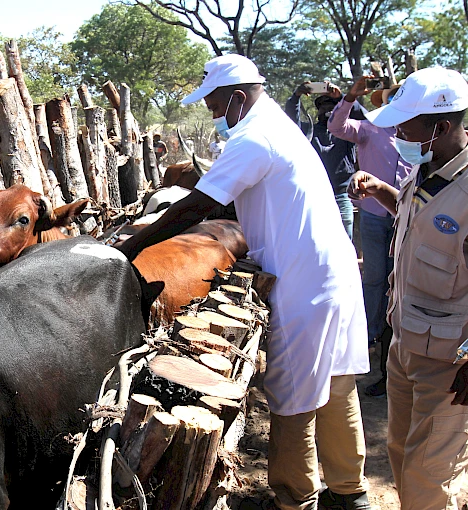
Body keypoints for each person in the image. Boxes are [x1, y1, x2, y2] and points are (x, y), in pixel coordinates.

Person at [117, 54, 371, 510]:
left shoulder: (255, 137)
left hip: (302, 280)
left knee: (293, 400)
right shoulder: (278, 126)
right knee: (336, 387)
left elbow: (198, 207)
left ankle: (296, 499)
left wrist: (129, 248)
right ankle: (351, 493)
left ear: (237, 97)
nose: (213, 114)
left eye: (215, 103)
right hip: (332, 272)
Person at [349, 66, 468, 510]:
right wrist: (382, 191)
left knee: (426, 481)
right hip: (405, 346)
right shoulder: (426, 171)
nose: (397, 133)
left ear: (439, 128)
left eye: (405, 126)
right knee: (401, 457)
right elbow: (422, 227)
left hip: (451, 364)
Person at [329, 76, 413, 397]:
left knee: (400, 281)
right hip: (377, 218)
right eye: (392, 98)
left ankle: (392, 343)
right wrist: (350, 96)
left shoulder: (415, 136)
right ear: (383, 101)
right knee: (376, 278)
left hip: (407, 220)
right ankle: (369, 337)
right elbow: (337, 127)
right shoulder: (368, 129)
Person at [286, 83, 358, 238]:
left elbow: (359, 114)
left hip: (342, 194)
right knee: (316, 239)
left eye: (332, 106)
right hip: (315, 195)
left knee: (345, 239)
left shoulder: (349, 131)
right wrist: (296, 96)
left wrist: (341, 98)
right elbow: (292, 120)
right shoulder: (308, 131)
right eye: (323, 107)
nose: (327, 110)